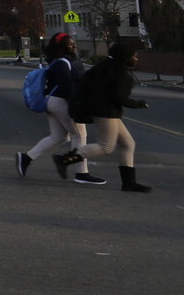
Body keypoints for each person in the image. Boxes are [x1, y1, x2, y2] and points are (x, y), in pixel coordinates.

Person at [73, 39, 151, 192]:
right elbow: (120, 98)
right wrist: (140, 104)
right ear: (126, 57)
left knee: (128, 144)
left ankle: (129, 183)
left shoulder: (106, 66)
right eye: (134, 56)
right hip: (106, 113)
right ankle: (66, 158)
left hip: (106, 111)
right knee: (106, 146)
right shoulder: (119, 72)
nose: (136, 59)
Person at [17, 33, 87, 180]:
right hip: (60, 101)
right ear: (61, 47)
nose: (74, 46)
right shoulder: (62, 63)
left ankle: (26, 158)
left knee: (58, 137)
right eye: (69, 44)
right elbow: (67, 86)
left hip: (51, 101)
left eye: (74, 43)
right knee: (79, 136)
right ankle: (81, 173)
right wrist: (78, 104)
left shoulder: (59, 61)